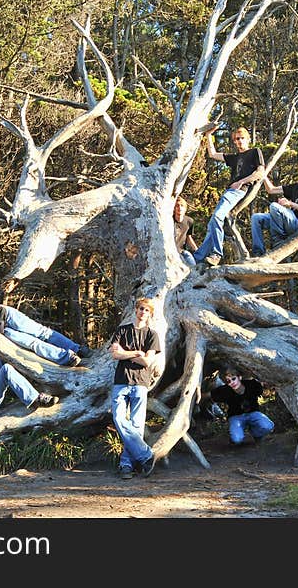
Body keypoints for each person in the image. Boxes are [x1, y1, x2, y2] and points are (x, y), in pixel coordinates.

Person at [192, 124, 265, 266]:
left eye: (242, 138)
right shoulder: (235, 157)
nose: (239, 141)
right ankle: (198, 257)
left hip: (238, 191)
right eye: (236, 139)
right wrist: (208, 135)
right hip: (230, 192)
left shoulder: (255, 152)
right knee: (213, 224)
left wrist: (240, 182)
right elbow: (213, 154)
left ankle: (216, 254)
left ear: (248, 139)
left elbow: (260, 173)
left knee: (217, 217)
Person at [109, 298, 162, 479]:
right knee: (117, 418)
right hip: (121, 381)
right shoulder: (122, 330)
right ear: (135, 310)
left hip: (140, 383)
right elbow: (115, 354)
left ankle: (126, 465)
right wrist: (136, 353)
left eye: (146, 310)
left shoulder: (152, 335)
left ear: (150, 314)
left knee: (136, 426)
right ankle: (146, 455)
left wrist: (126, 354)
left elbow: (147, 361)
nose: (142, 312)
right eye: (140, 308)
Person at [250, 159, 298, 256]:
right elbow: (271, 190)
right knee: (256, 218)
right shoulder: (296, 187)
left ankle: (278, 241)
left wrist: (290, 204)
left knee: (274, 206)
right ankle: (258, 251)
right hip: (287, 219)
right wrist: (263, 175)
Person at [210, 368, 275, 445]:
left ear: (239, 377)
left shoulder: (252, 384)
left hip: (253, 413)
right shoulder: (225, 390)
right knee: (237, 439)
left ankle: (256, 434)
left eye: (233, 379)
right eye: (228, 381)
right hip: (236, 417)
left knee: (268, 426)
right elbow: (209, 395)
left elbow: (264, 385)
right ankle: (234, 436)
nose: (232, 383)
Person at [173, 196, 199, 266]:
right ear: (174, 208)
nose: (180, 208)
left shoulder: (189, 221)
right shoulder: (169, 220)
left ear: (185, 209)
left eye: (182, 206)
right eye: (177, 206)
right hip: (171, 252)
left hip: (182, 252)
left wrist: (197, 250)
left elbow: (188, 238)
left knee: (193, 266)